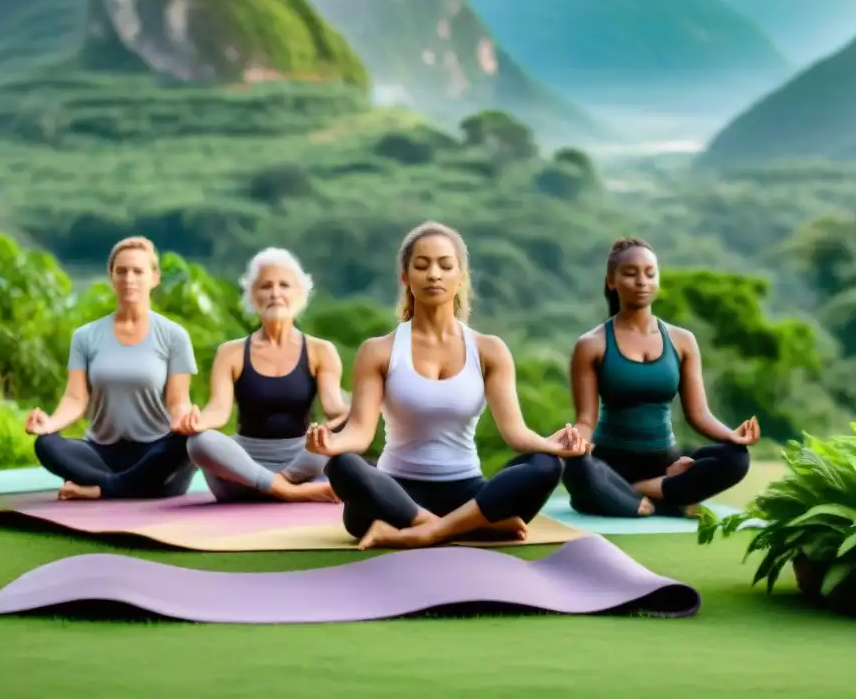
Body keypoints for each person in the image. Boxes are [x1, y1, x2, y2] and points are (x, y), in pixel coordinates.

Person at [305, 221, 588, 550]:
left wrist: (550, 445)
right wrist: (331, 443)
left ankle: (428, 532)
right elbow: (360, 433)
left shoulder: (489, 350)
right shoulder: (378, 350)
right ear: (405, 278)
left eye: (445, 265)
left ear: (461, 277)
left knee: (545, 466)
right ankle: (461, 527)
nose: (434, 274)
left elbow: (516, 435)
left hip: (467, 493)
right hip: (394, 497)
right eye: (421, 266)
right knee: (343, 465)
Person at [561, 237, 759, 519]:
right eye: (630, 273)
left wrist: (733, 436)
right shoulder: (591, 344)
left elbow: (699, 413)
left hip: (664, 464)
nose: (642, 281)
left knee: (736, 459)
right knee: (574, 466)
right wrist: (573, 445)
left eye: (650, 273)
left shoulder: (682, 341)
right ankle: (665, 497)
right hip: (609, 463)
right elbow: (586, 420)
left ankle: (635, 492)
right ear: (611, 282)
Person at [25, 236, 199, 501]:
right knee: (46, 444)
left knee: (187, 444)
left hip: (154, 451)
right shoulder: (85, 336)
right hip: (100, 453)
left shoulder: (174, 336)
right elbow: (75, 398)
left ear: (154, 278)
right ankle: (129, 486)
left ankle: (99, 489)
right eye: (122, 271)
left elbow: (178, 401)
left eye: (138, 271)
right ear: (111, 277)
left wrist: (186, 421)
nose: (129, 278)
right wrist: (49, 423)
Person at [173, 248, 347, 503]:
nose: (275, 293)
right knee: (199, 443)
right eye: (266, 286)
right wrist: (194, 423)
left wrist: (357, 410)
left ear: (300, 293)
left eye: (284, 285)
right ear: (253, 296)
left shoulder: (321, 351)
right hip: (242, 465)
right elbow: (218, 412)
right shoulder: (230, 352)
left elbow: (335, 408)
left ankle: (277, 483)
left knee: (345, 434)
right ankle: (284, 490)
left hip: (299, 462)